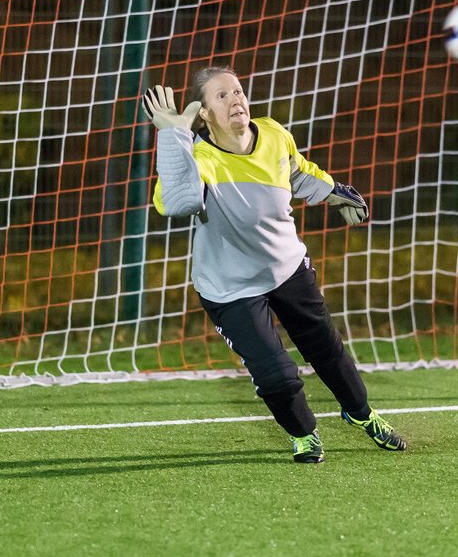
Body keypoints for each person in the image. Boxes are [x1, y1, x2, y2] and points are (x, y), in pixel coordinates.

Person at [143, 65, 408, 463]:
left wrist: (335, 192)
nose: (235, 99)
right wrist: (172, 134)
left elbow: (297, 171)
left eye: (238, 91)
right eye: (221, 96)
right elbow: (177, 202)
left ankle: (361, 414)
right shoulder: (199, 157)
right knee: (276, 375)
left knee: (329, 352)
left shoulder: (273, 133)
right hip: (230, 287)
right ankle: (304, 435)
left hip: (287, 268)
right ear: (203, 114)